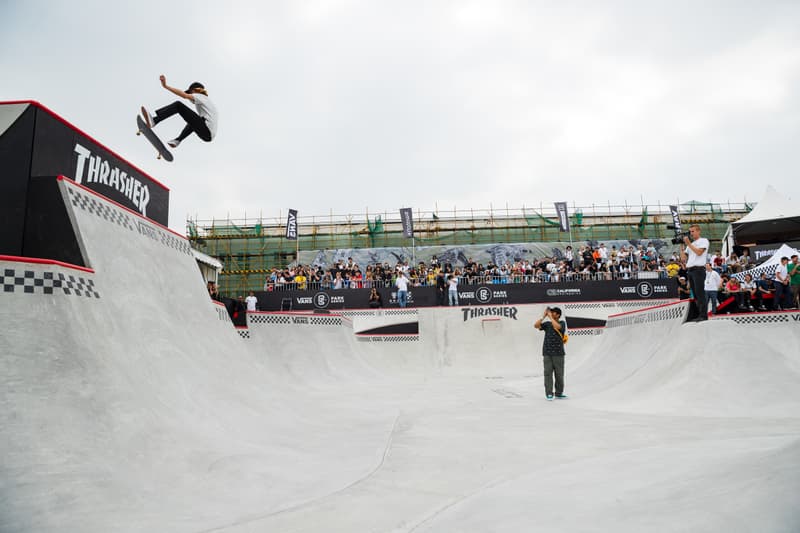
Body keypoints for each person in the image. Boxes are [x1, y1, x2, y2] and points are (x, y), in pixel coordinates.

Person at [141, 75, 218, 148]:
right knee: (192, 120)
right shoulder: (207, 103)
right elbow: (195, 122)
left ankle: (154, 121)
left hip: (206, 130)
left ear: (194, 90)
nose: (190, 96)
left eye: (191, 93)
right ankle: (177, 140)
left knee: (178, 105)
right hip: (208, 136)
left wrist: (166, 86)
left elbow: (184, 95)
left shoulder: (201, 96)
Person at [535, 306, 567, 401]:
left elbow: (557, 327)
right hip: (547, 353)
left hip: (559, 353)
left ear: (558, 315)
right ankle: (549, 393)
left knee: (559, 375)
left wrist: (550, 318)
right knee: (548, 374)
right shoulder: (547, 324)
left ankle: (559, 393)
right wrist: (543, 317)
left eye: (553, 313)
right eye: (551, 312)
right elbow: (536, 325)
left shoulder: (562, 323)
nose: (551, 313)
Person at [681, 224, 709, 321]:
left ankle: (703, 315)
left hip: (699, 269)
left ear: (698, 231)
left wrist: (688, 244)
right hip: (691, 270)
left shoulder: (703, 241)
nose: (691, 233)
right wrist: (682, 245)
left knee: (700, 293)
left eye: (693, 231)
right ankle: (699, 314)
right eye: (690, 231)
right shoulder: (690, 244)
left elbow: (699, 252)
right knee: (695, 294)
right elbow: (683, 258)